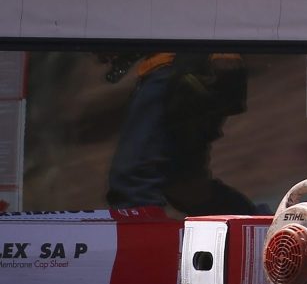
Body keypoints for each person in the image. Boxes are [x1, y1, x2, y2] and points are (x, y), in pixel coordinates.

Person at [102, 50, 259, 216]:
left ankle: (142, 241)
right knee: (184, 185)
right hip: (185, 66)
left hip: (179, 67)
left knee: (133, 179)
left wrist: (220, 47)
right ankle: (261, 228)